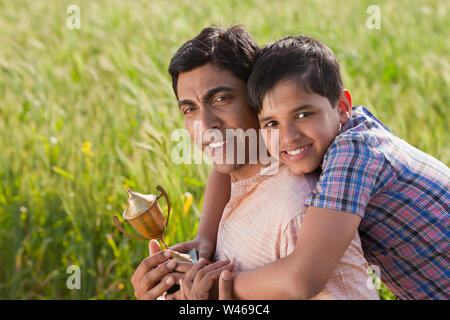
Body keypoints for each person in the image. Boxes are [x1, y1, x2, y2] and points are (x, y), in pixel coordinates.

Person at [131, 26, 379, 300]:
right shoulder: (236, 180)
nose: (205, 125)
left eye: (221, 99)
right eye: (190, 109)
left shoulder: (296, 210)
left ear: (258, 99)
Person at [194, 35, 450, 300]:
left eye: (303, 115)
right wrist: (205, 236)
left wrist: (217, 287)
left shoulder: (353, 154)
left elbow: (304, 278)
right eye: (271, 123)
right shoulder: (337, 133)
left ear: (342, 107)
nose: (289, 136)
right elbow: (231, 162)